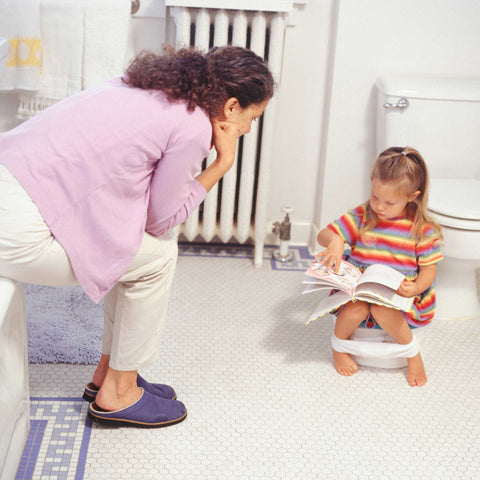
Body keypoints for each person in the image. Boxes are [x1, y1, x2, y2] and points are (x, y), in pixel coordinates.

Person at [0, 46, 274, 427]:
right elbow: (161, 220)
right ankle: (119, 391)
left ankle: (109, 375)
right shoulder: (193, 126)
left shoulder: (147, 87)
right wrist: (222, 164)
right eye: (252, 118)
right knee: (158, 256)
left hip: (10, 180)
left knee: (133, 247)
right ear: (230, 107)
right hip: (14, 231)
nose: (246, 129)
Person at [316, 147, 443, 387]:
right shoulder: (364, 215)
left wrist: (416, 287)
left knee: (383, 310)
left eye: (389, 202)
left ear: (412, 196)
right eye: (375, 197)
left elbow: (429, 271)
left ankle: (412, 354)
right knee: (355, 311)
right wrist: (335, 240)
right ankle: (339, 348)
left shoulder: (423, 230)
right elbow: (324, 235)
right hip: (362, 290)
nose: (379, 207)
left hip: (399, 296)